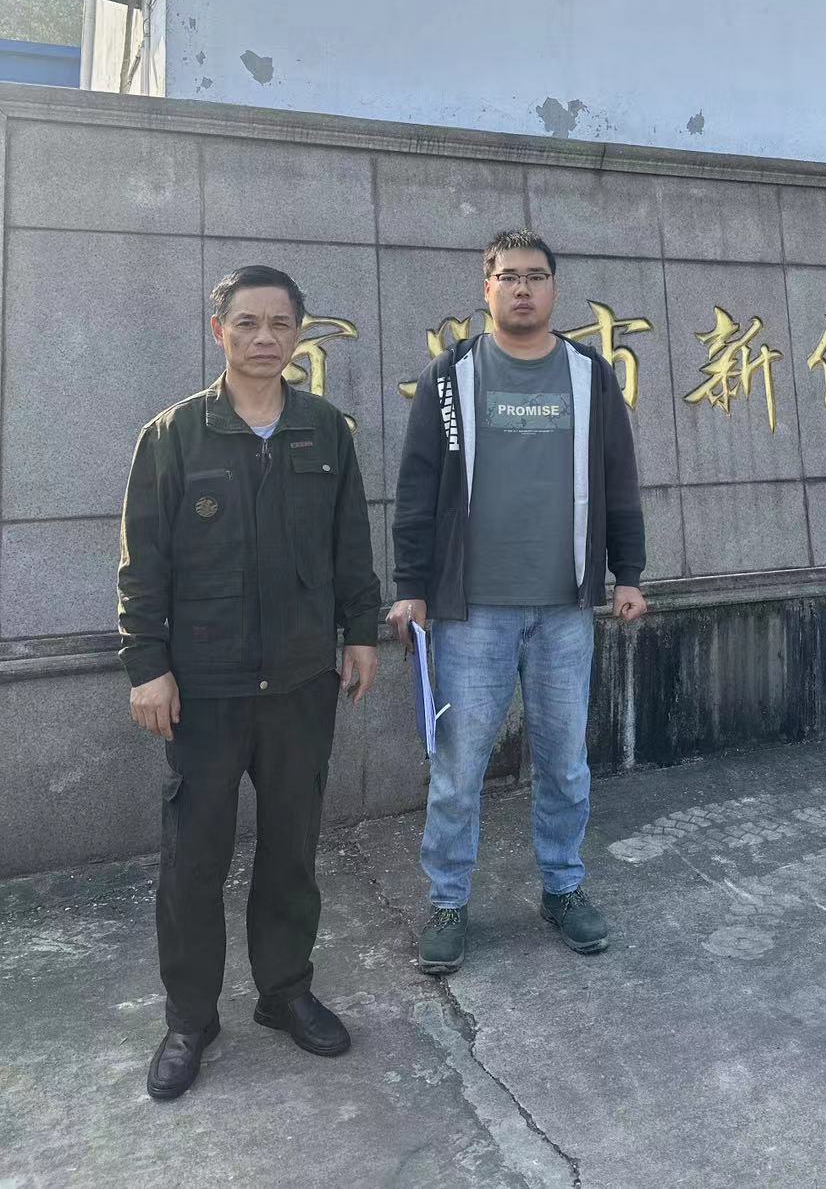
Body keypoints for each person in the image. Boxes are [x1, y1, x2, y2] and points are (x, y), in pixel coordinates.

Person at [118, 264, 383, 1102]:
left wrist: (361, 632)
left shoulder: (326, 430)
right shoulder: (174, 435)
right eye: (247, 323)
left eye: (279, 323)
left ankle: (285, 990)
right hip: (205, 687)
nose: (264, 337)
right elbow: (142, 565)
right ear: (219, 331)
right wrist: (147, 666)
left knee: (292, 847)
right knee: (192, 860)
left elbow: (350, 542)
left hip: (302, 679)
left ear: (299, 333)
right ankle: (190, 1018)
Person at [390, 228, 647, 975]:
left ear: (554, 288)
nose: (523, 288)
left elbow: (618, 478)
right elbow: (417, 488)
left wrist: (628, 573)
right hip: (472, 612)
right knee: (458, 767)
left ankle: (563, 887)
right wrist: (411, 587)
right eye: (508, 276)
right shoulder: (451, 377)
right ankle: (447, 900)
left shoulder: (589, 375)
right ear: (487, 288)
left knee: (565, 763)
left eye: (536, 275)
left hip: (564, 608)